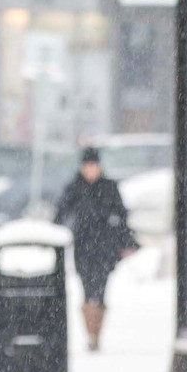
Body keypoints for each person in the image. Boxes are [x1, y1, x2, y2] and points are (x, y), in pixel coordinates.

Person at [54, 144, 138, 350]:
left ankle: (95, 334)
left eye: (94, 165)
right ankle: (91, 333)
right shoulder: (74, 188)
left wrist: (126, 242)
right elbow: (60, 214)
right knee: (86, 288)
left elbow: (121, 216)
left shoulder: (109, 188)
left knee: (100, 289)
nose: (91, 170)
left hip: (105, 247)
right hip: (83, 247)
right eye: (88, 165)